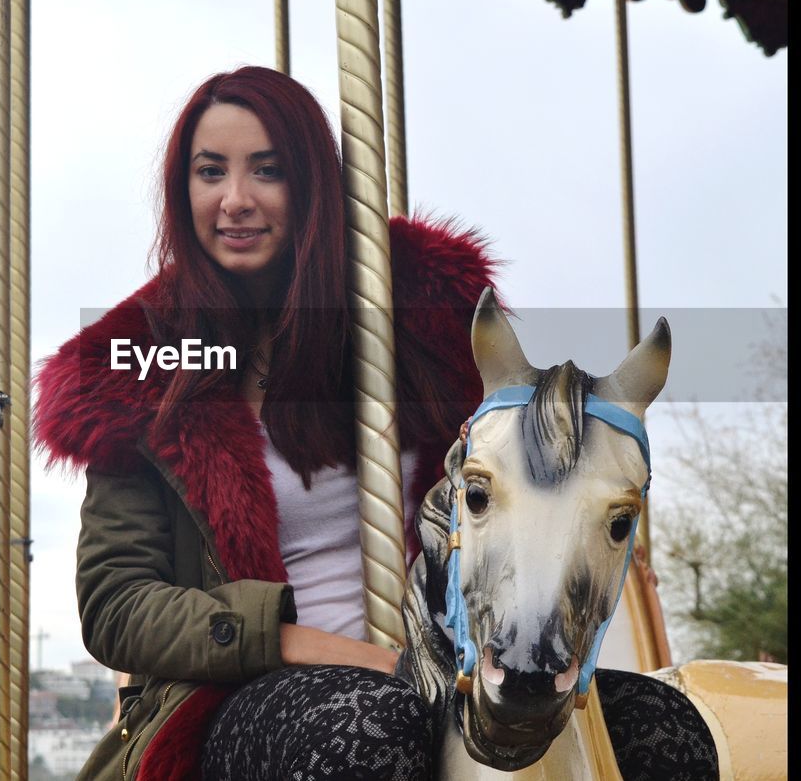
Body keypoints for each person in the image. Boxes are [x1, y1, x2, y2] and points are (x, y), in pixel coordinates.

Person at [34, 66, 501, 781]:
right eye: (210, 172)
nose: (235, 200)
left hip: (460, 666)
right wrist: (293, 642)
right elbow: (116, 602)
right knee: (374, 728)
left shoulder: (420, 313)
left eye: (267, 170)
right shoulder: (138, 367)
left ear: (310, 183)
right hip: (241, 695)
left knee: (658, 724)